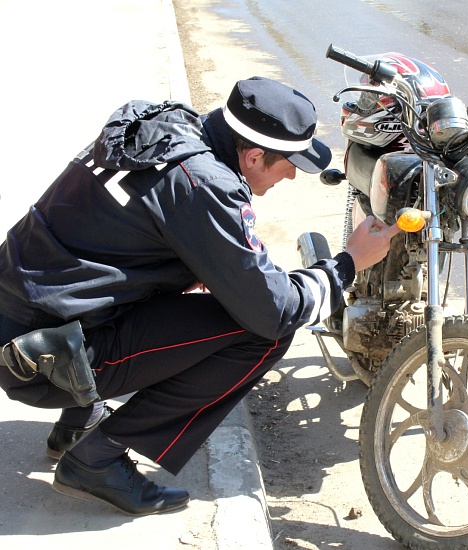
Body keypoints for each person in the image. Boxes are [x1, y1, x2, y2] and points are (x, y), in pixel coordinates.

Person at [0, 77, 399, 516]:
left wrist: (189, 265)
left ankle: (77, 424)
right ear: (253, 156)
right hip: (39, 361)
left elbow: (113, 241)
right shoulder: (204, 185)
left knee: (211, 295)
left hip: (26, 319)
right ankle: (97, 460)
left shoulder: (168, 128)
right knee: (264, 334)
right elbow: (275, 311)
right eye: (289, 164)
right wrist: (347, 264)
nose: (292, 176)